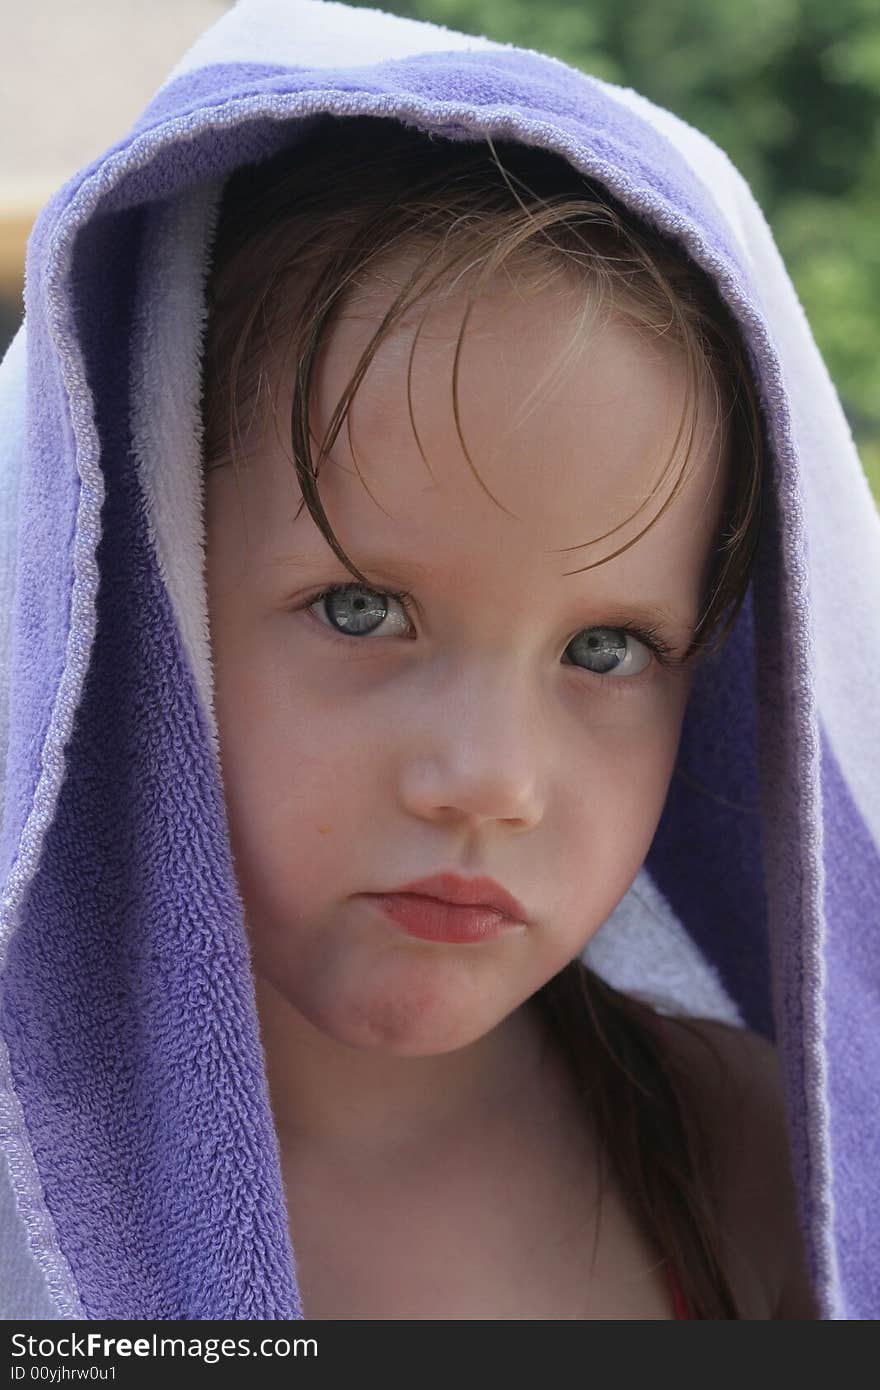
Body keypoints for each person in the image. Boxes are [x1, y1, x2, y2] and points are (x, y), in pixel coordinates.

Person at [0, 0, 877, 1322]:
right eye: (361, 610)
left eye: (607, 645)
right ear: (136, 602)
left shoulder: (755, 1171)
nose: (492, 779)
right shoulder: (28, 1187)